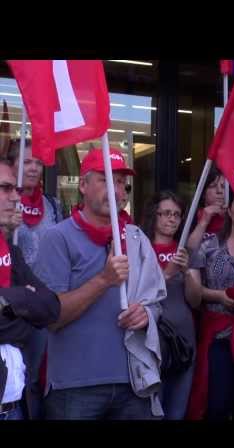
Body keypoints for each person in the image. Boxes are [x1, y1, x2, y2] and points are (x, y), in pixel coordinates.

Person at [34, 148, 167, 420]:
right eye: (105, 179)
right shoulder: (57, 238)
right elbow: (51, 318)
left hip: (134, 384)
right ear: (83, 185)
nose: (116, 190)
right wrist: (104, 280)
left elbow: (156, 302)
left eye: (120, 182)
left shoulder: (136, 238)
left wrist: (146, 315)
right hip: (74, 388)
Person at [1, 138, 64, 420]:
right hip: (22, 301)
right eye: (27, 161)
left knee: (33, 379)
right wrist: (23, 298)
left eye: (38, 162)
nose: (34, 168)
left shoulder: (52, 205)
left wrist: (23, 302)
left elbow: (51, 307)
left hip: (39, 298)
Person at [187, 191, 234, 420]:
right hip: (218, 334)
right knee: (216, 403)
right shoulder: (209, 246)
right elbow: (193, 291)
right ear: (229, 210)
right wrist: (218, 296)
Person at [141, 191, 202, 420]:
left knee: (177, 410)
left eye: (177, 214)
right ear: (154, 215)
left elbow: (195, 300)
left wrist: (187, 273)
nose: (172, 219)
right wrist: (167, 273)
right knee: (151, 409)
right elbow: (139, 294)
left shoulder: (185, 252)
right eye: (166, 213)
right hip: (149, 340)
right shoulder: (141, 250)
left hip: (183, 340)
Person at [186, 168, 226, 253]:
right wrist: (204, 221)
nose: (219, 191)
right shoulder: (191, 216)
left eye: (223, 187)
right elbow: (189, 252)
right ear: (203, 192)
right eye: (213, 186)